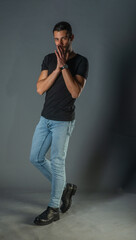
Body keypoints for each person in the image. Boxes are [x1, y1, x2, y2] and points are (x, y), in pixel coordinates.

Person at [29, 21, 89, 226]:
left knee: (57, 162)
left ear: (71, 38)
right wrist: (56, 68)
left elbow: (75, 92)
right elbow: (39, 89)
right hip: (45, 118)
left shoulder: (81, 61)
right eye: (56, 39)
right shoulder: (48, 59)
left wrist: (64, 66)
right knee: (35, 158)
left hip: (63, 121)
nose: (60, 42)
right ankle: (64, 188)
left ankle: (54, 208)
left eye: (63, 37)